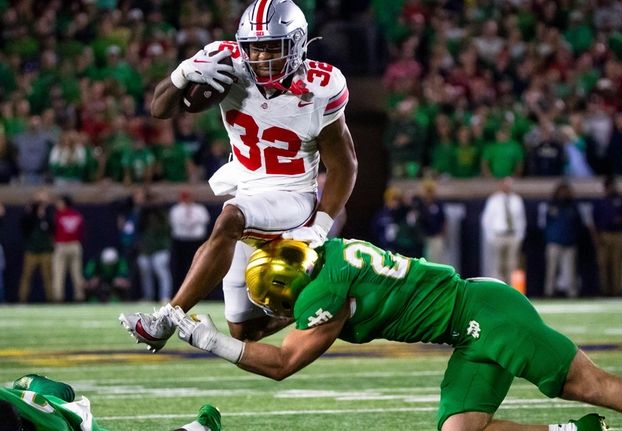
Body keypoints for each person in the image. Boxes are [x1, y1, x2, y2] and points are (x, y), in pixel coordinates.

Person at [165, 239, 622, 431]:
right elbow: (294, 316)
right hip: (469, 324)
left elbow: (283, 362)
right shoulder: (328, 257)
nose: (279, 311)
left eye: (279, 302)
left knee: (590, 380)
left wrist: (211, 341)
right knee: (461, 430)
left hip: (488, 314)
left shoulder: (320, 299)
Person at [120, 0, 357, 351]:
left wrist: (318, 229)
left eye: (270, 47)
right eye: (254, 48)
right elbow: (159, 109)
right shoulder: (226, 61)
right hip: (247, 185)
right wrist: (183, 73)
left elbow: (344, 165)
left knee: (229, 218)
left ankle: (167, 318)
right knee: (244, 331)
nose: (260, 57)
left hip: (292, 194)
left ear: (296, 44)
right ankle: (332, 297)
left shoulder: (321, 86)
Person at [0, 373, 221, 431]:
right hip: (37, 398)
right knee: (58, 390)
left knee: (61, 392)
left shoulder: (55, 427)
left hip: (62, 417)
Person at [480, 176, 526, 283]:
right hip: (498, 235)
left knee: (512, 264)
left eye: (509, 185)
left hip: (513, 235)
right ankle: (498, 290)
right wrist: (490, 237)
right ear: (500, 185)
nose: (507, 187)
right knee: (497, 264)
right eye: (505, 184)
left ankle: (512, 290)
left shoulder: (517, 199)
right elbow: (486, 220)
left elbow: (521, 219)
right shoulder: (493, 200)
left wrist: (520, 236)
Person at [52, 195, 86, 302]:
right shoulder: (77, 215)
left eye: (59, 202)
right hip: (75, 245)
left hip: (62, 245)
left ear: (64, 203)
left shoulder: (58, 215)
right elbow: (82, 232)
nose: (57, 205)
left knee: (59, 273)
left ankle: (58, 297)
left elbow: (53, 230)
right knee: (75, 273)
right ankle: (79, 296)